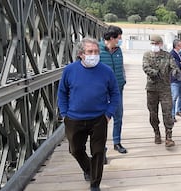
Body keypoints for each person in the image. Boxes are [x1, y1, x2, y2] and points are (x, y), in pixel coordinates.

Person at [58, 37, 120, 191]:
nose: (94, 55)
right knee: (75, 149)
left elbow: (115, 93)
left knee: (98, 152)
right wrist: (64, 114)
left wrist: (109, 113)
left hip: (99, 118)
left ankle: (95, 184)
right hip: (74, 118)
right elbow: (62, 93)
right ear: (81, 54)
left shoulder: (106, 71)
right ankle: (88, 168)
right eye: (90, 51)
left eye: (96, 51)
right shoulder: (70, 70)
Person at [142, 34, 181, 147]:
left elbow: (174, 66)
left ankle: (169, 136)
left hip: (165, 89)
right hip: (152, 88)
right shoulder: (147, 55)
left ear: (161, 44)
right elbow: (145, 67)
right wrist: (155, 73)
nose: (154, 45)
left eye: (156, 43)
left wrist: (175, 72)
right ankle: (156, 132)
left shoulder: (167, 56)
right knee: (153, 113)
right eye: (152, 43)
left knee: (167, 112)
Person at [99, 25, 127, 157]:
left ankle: (117, 142)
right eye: (119, 38)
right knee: (102, 120)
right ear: (111, 38)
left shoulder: (118, 50)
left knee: (118, 116)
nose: (120, 41)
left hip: (117, 90)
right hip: (102, 92)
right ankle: (101, 147)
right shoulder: (97, 50)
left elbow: (121, 67)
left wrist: (123, 81)